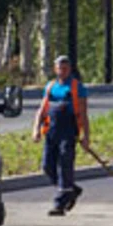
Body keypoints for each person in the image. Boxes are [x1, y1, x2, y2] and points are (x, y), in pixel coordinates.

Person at [32, 55, 89, 216]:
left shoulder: (78, 88)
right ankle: (71, 189)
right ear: (55, 69)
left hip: (69, 132)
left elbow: (84, 115)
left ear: (69, 69)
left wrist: (86, 137)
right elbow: (42, 110)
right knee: (47, 166)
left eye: (65, 68)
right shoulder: (50, 87)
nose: (62, 71)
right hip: (52, 132)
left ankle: (60, 203)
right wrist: (36, 129)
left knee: (65, 164)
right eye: (59, 68)